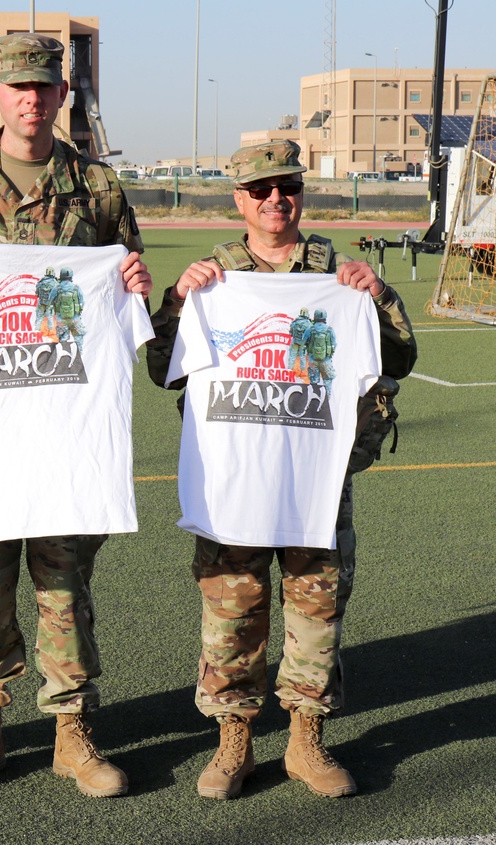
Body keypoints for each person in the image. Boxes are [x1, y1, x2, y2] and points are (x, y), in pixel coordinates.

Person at [0, 33, 152, 799]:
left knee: (63, 583)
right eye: (18, 86)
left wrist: (136, 280)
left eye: (45, 86)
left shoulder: (99, 190)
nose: (32, 98)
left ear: (61, 96)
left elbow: (131, 299)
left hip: (62, 435)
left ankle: (72, 731)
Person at [145, 140, 417, 800]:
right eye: (261, 189)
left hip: (312, 478)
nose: (276, 199)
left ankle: (305, 739)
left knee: (317, 607)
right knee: (230, 609)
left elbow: (400, 359)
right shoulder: (212, 277)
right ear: (238, 198)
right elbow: (161, 368)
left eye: (287, 186)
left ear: (301, 191)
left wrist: (377, 294)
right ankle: (233, 738)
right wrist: (180, 303)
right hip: (233, 477)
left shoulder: (335, 272)